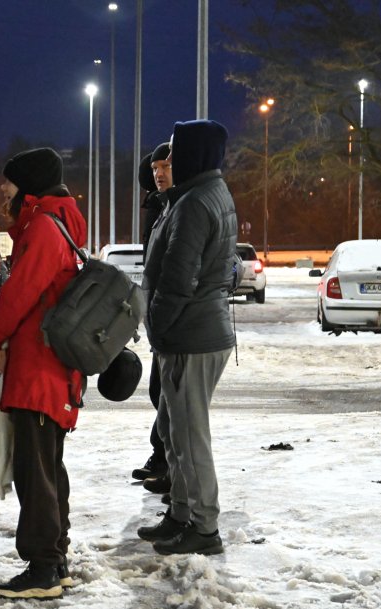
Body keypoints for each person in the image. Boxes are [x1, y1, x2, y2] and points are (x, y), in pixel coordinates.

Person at [0, 147, 87, 600]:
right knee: (47, 468)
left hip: (40, 371)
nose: (2, 190)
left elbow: (20, 295)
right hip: (48, 370)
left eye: (9, 183)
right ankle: (54, 559)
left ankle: (43, 567)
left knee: (35, 472)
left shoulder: (44, 228)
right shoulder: (54, 224)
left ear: (27, 187)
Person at [137, 120, 238, 557]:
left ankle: (204, 527)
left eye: (176, 153)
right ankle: (180, 514)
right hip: (189, 331)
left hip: (191, 334)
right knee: (174, 431)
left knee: (191, 436)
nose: (169, 161)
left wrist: (155, 326)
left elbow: (178, 279)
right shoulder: (196, 195)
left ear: (195, 153)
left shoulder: (196, 202)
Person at [131, 144, 173, 500]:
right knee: (159, 392)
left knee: (171, 396)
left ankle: (170, 466)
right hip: (159, 316)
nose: (159, 173)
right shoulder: (156, 205)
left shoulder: (181, 206)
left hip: (176, 321)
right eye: (156, 167)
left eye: (167, 166)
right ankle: (162, 457)